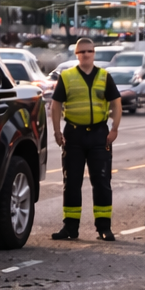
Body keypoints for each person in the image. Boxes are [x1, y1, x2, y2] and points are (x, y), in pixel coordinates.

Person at [48, 37, 122, 241]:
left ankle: (104, 228)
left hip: (99, 135)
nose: (85, 55)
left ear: (94, 53)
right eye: (82, 52)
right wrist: (57, 131)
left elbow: (116, 103)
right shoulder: (67, 76)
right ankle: (70, 227)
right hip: (74, 135)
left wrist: (114, 129)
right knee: (71, 182)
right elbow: (55, 105)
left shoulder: (104, 76)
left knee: (102, 182)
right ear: (76, 54)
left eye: (89, 51)